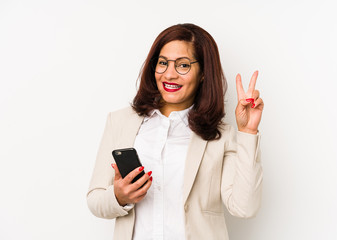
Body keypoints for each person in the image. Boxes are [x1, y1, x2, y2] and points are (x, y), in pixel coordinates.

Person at [87, 23, 264, 240]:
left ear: (203, 74)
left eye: (183, 65)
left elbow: (244, 207)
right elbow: (95, 199)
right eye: (163, 63)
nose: (169, 74)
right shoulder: (120, 122)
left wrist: (247, 132)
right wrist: (118, 196)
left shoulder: (221, 136)